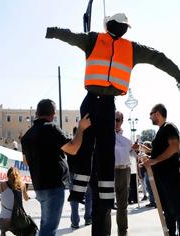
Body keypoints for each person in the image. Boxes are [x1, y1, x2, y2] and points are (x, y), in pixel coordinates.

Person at [45, 13, 180, 236]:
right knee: (92, 148)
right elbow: (159, 58)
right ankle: (81, 193)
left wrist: (52, 32)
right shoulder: (107, 43)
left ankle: (98, 198)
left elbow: (159, 58)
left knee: (100, 150)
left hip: (103, 103)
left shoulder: (109, 43)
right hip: (99, 103)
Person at [21, 99, 91, 236]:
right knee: (49, 229)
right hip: (53, 186)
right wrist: (81, 128)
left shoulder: (27, 136)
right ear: (53, 114)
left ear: (37, 113)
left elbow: (25, 162)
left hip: (39, 186)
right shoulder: (51, 128)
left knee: (46, 224)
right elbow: (72, 148)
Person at [141, 104, 180, 236]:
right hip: (163, 180)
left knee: (176, 210)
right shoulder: (161, 130)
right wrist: (150, 157)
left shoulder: (169, 127)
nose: (149, 117)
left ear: (157, 113)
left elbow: (175, 147)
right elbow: (162, 151)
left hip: (172, 179)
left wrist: (155, 160)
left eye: (150, 114)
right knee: (169, 213)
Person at [114, 111, 137, 236]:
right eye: (113, 119)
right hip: (109, 171)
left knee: (122, 205)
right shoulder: (105, 134)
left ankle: (122, 232)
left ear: (122, 121)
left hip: (124, 170)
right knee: (106, 204)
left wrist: (135, 148)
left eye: (117, 120)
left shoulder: (128, 136)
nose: (115, 122)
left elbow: (133, 154)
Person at [67, 126, 92, 229]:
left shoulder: (70, 144)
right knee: (88, 197)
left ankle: (75, 222)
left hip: (73, 174)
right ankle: (88, 218)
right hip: (85, 173)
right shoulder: (87, 144)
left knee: (74, 198)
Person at [0, 167, 29, 236]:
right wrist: (24, 189)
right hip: (16, 222)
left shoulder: (2, 185)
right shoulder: (22, 185)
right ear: (18, 176)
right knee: (25, 227)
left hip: (2, 222)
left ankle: (3, 233)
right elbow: (26, 199)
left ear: (7, 176)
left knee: (3, 226)